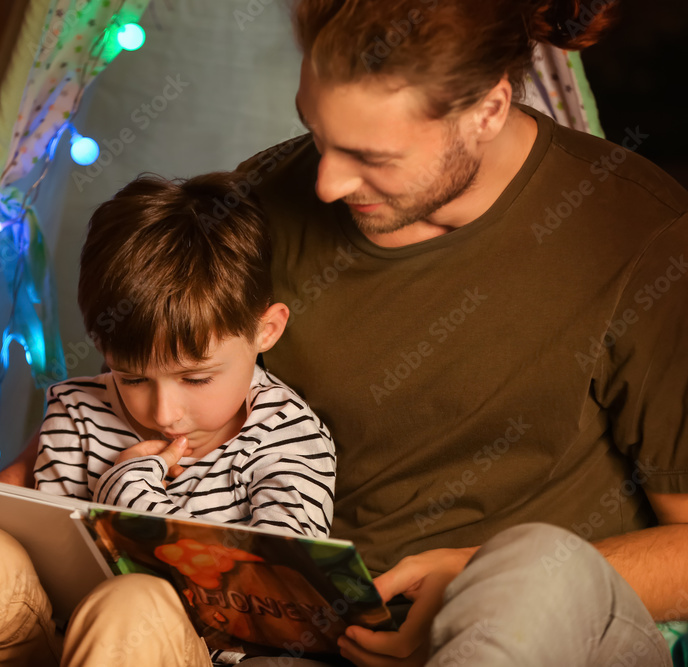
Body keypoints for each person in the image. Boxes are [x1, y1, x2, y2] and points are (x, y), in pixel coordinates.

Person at [55, 0, 687, 665]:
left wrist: (474, 577)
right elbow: (158, 408)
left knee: (525, 574)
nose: (327, 182)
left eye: (370, 155)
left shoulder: (639, 234)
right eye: (316, 134)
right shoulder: (263, 205)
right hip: (307, 634)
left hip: (545, 626)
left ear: (488, 110)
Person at [0, 172, 338, 666]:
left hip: (186, 653)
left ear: (265, 330)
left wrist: (128, 490)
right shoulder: (77, 412)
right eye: (133, 378)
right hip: (56, 641)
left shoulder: (290, 440)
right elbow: (39, 574)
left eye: (196, 379)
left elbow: (279, 613)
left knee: (132, 603)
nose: (163, 413)